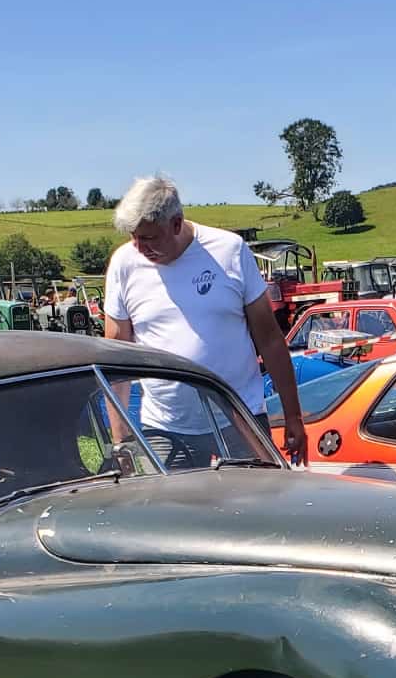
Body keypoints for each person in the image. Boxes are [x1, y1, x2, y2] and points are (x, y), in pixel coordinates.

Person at [102, 175, 305, 466]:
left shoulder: (229, 251)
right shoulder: (124, 264)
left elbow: (270, 339)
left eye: (148, 238)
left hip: (239, 418)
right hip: (165, 425)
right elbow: (116, 354)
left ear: (176, 223)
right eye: (133, 236)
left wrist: (293, 415)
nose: (139, 247)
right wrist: (120, 439)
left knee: (257, 496)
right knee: (167, 498)